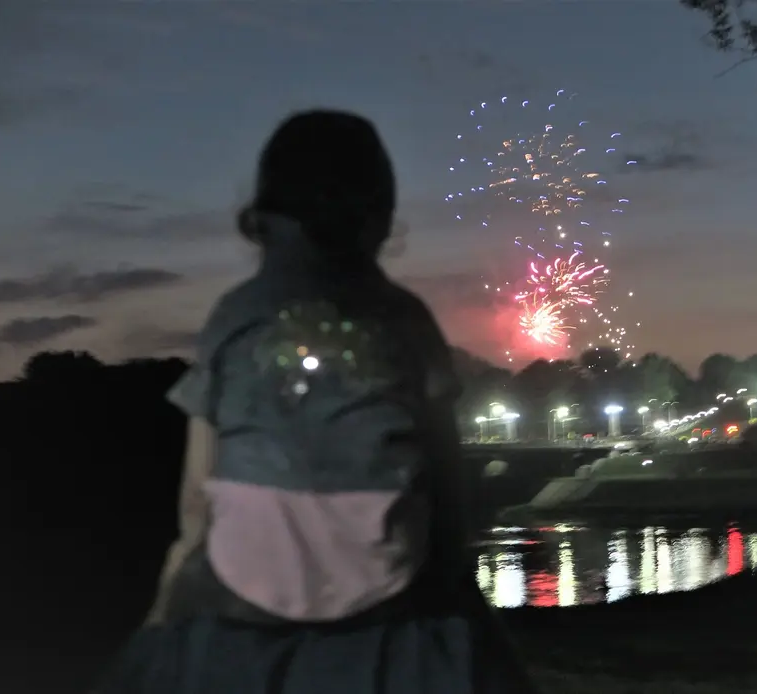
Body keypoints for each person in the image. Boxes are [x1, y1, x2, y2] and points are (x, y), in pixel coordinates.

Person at [95, 110, 537, 694]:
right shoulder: (406, 321)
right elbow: (447, 487)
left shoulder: (232, 317)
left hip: (240, 598)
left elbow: (196, 498)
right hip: (389, 595)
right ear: (379, 221)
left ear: (260, 221)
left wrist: (162, 612)